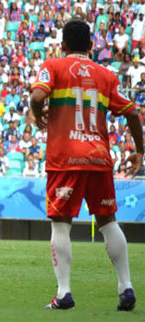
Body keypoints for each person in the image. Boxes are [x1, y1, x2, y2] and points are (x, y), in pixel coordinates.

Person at [30, 18, 143, 311]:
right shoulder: (106, 76)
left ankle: (64, 293)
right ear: (92, 46)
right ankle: (126, 287)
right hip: (98, 159)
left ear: (63, 45)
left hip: (64, 160)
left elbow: (38, 94)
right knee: (108, 221)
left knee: (61, 224)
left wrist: (38, 113)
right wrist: (140, 150)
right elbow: (133, 114)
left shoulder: (53, 66)